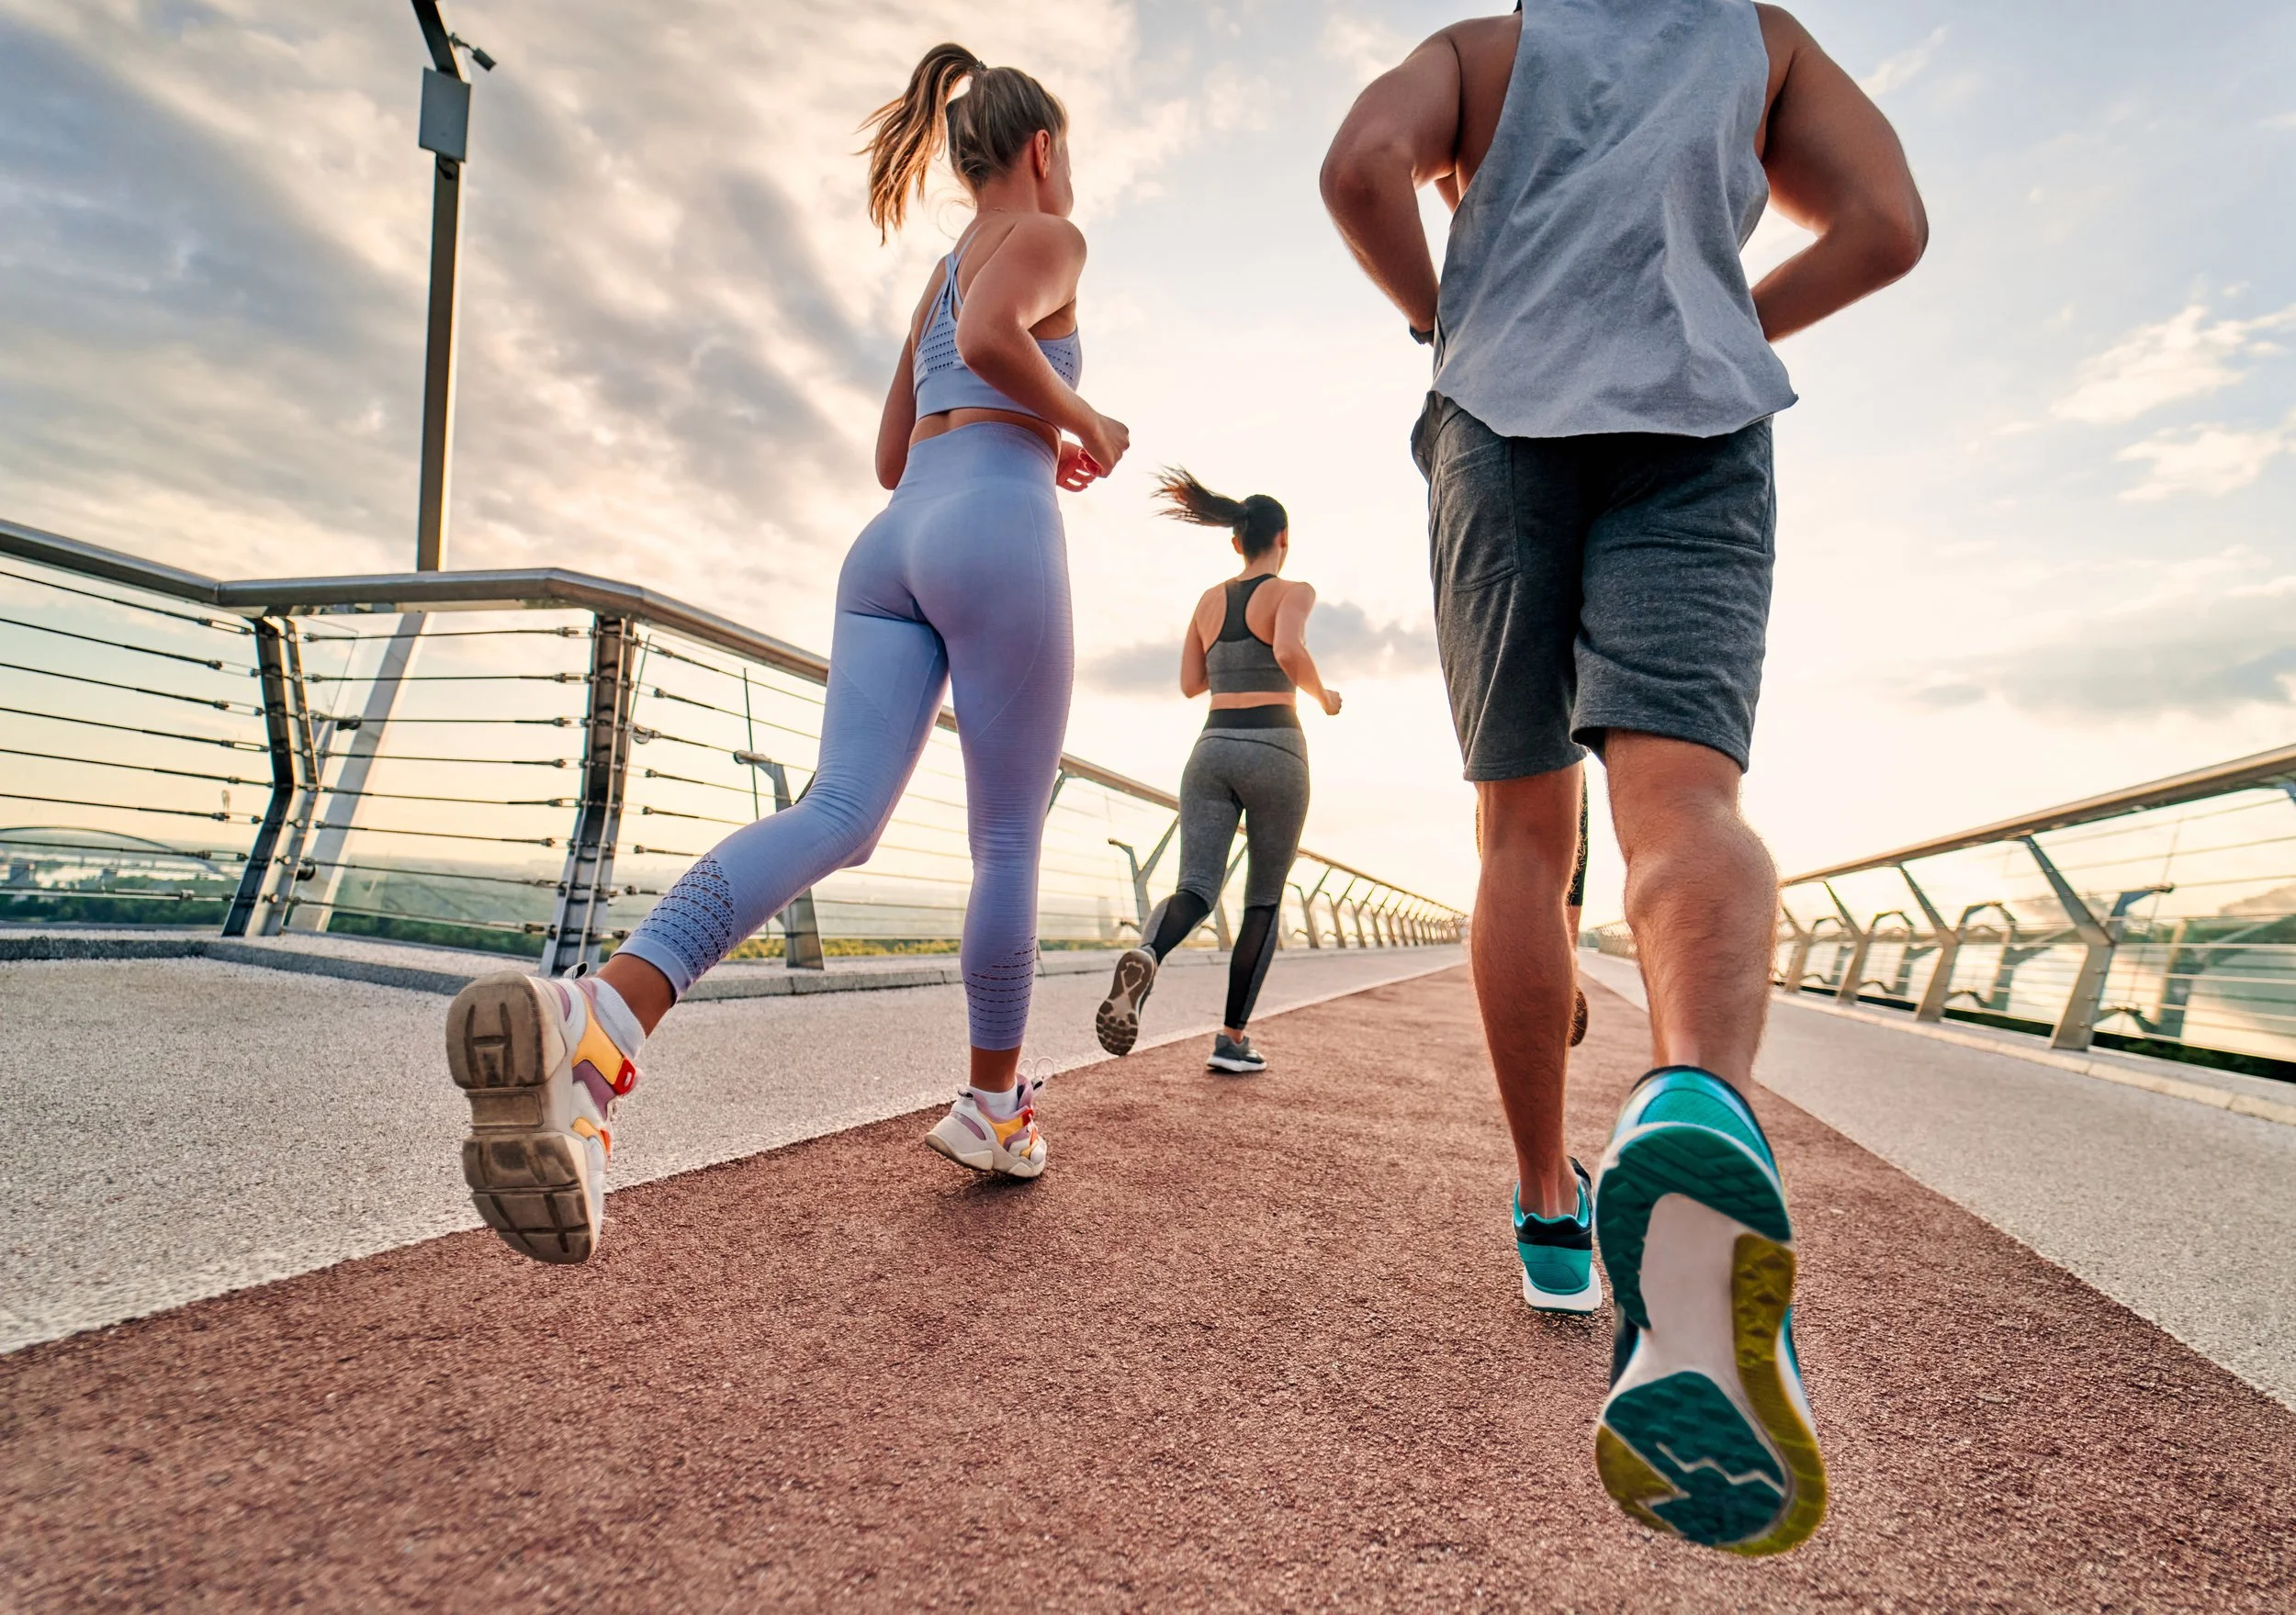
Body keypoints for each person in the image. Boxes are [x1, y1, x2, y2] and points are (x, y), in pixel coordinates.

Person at [1322, 0, 1924, 1554]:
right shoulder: (1758, 40)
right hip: (1699, 422)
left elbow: (1358, 168)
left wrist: (1447, 316)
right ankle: (1701, 1105)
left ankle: (1547, 1200)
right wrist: (1720, 314)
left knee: (1523, 829)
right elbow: (1887, 224)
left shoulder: (1490, 50)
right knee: (1686, 802)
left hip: (1498, 420)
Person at [443, 42, 1131, 1264]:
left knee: (838, 808)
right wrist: (1085, 421)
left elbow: (894, 444)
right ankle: (995, 1103)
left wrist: (1031, 416)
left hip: (893, 541)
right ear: (1038, 151)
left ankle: (601, 1017)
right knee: (1009, 839)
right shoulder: (1050, 236)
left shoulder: (938, 268)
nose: (1066, 174)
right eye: (1063, 155)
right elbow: (990, 336)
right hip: (996, 531)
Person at [1094, 471, 1342, 1074]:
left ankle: (1149, 951)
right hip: (1275, 747)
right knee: (1262, 900)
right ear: (1281, 538)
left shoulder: (1207, 601)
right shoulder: (1293, 591)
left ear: (1236, 542)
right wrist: (1323, 694)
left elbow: (1189, 684)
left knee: (1195, 889)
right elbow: (1287, 650)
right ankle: (1231, 1038)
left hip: (1210, 752)